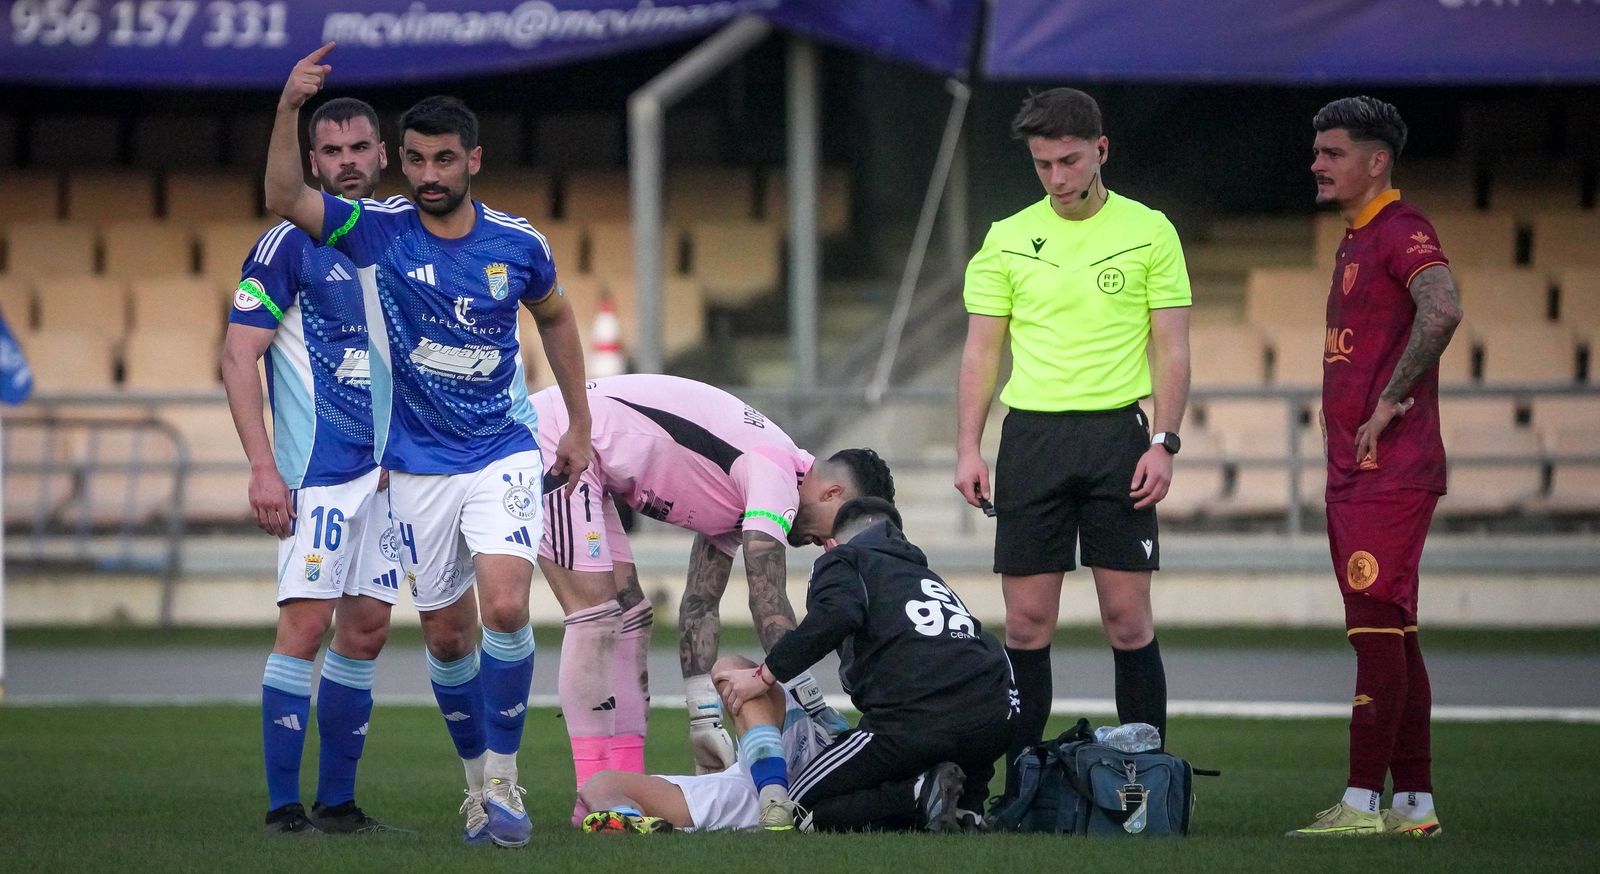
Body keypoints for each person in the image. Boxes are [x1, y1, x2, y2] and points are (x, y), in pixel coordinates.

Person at [264, 44, 594, 848]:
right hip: (414, 467)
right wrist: (287, 107)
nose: (429, 172)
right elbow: (282, 194)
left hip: (502, 449)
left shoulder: (518, 243)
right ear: (400, 163)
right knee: (448, 636)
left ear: (473, 159)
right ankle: (477, 789)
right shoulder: (374, 232)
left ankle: (508, 779)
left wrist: (578, 422)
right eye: (414, 159)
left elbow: (555, 315)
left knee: (508, 604)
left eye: (444, 158)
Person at [952, 87, 1192, 802]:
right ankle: (1021, 788)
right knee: (1025, 625)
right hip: (1031, 440)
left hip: (1119, 436)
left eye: (1067, 161)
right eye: (1041, 164)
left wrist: (1166, 441)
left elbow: (1172, 349)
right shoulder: (1005, 237)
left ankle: (1147, 787)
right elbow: (979, 355)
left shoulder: (1151, 232)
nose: (1056, 178)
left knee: (1127, 618)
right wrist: (969, 446)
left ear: (1101, 151)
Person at [528, 374, 894, 807]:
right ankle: (585, 798)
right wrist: (810, 700)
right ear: (833, 492)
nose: (832, 545)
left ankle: (620, 788)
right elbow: (766, 596)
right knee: (597, 617)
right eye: (842, 529)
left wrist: (703, 718)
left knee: (631, 618)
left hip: (588, 450)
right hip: (560, 436)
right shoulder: (774, 473)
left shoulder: (749, 487)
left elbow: (700, 604)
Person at [221, 96, 400, 836]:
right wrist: (263, 469)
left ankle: (338, 803)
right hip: (317, 474)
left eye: (361, 147)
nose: (348, 161)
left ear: (383, 155)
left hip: (392, 480)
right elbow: (238, 357)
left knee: (366, 632)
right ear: (312, 161)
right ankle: (280, 807)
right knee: (305, 627)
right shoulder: (285, 245)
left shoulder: (407, 237)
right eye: (332, 151)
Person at [1289, 96, 1459, 839]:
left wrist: (1391, 401)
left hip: (1388, 469)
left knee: (1371, 628)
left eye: (1332, 152)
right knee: (1395, 629)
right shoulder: (1356, 239)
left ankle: (1360, 804)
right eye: (1318, 151)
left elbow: (1443, 309)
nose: (1317, 164)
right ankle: (1413, 805)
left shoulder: (1402, 229)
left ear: (1376, 161)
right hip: (1359, 470)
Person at [719, 498, 1017, 832]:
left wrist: (765, 675)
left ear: (833, 541)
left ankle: (917, 793)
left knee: (800, 804)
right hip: (996, 718)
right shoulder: (924, 576)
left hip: (915, 721)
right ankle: (965, 808)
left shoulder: (845, 558)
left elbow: (837, 613)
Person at [575, 658, 835, 834]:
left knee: (729, 668)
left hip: (820, 757)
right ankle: (629, 821)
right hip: (750, 781)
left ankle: (774, 797)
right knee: (599, 784)